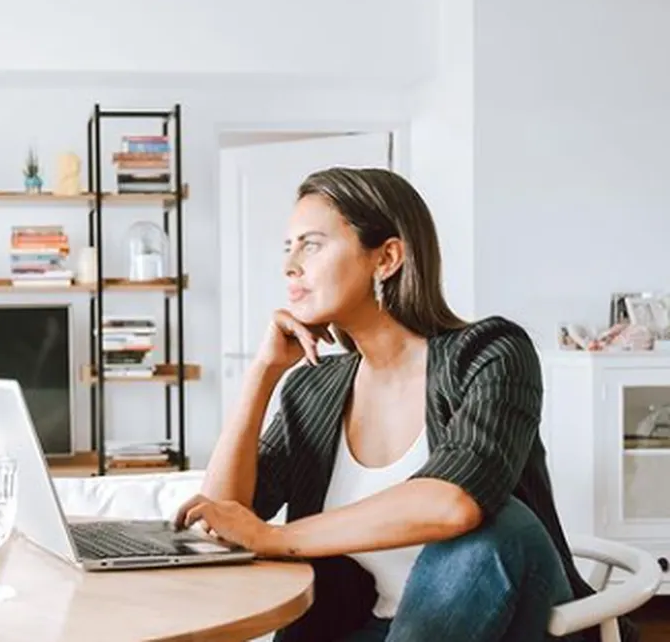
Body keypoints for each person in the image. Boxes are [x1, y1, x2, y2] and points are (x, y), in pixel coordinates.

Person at [174, 168, 634, 642]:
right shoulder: (314, 389)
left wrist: (275, 538)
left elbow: (452, 505)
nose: (290, 265)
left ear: (387, 257)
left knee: (498, 529)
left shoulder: (490, 352)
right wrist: (263, 373)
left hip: (511, 623)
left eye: (311, 244)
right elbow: (225, 517)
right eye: (287, 248)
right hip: (373, 625)